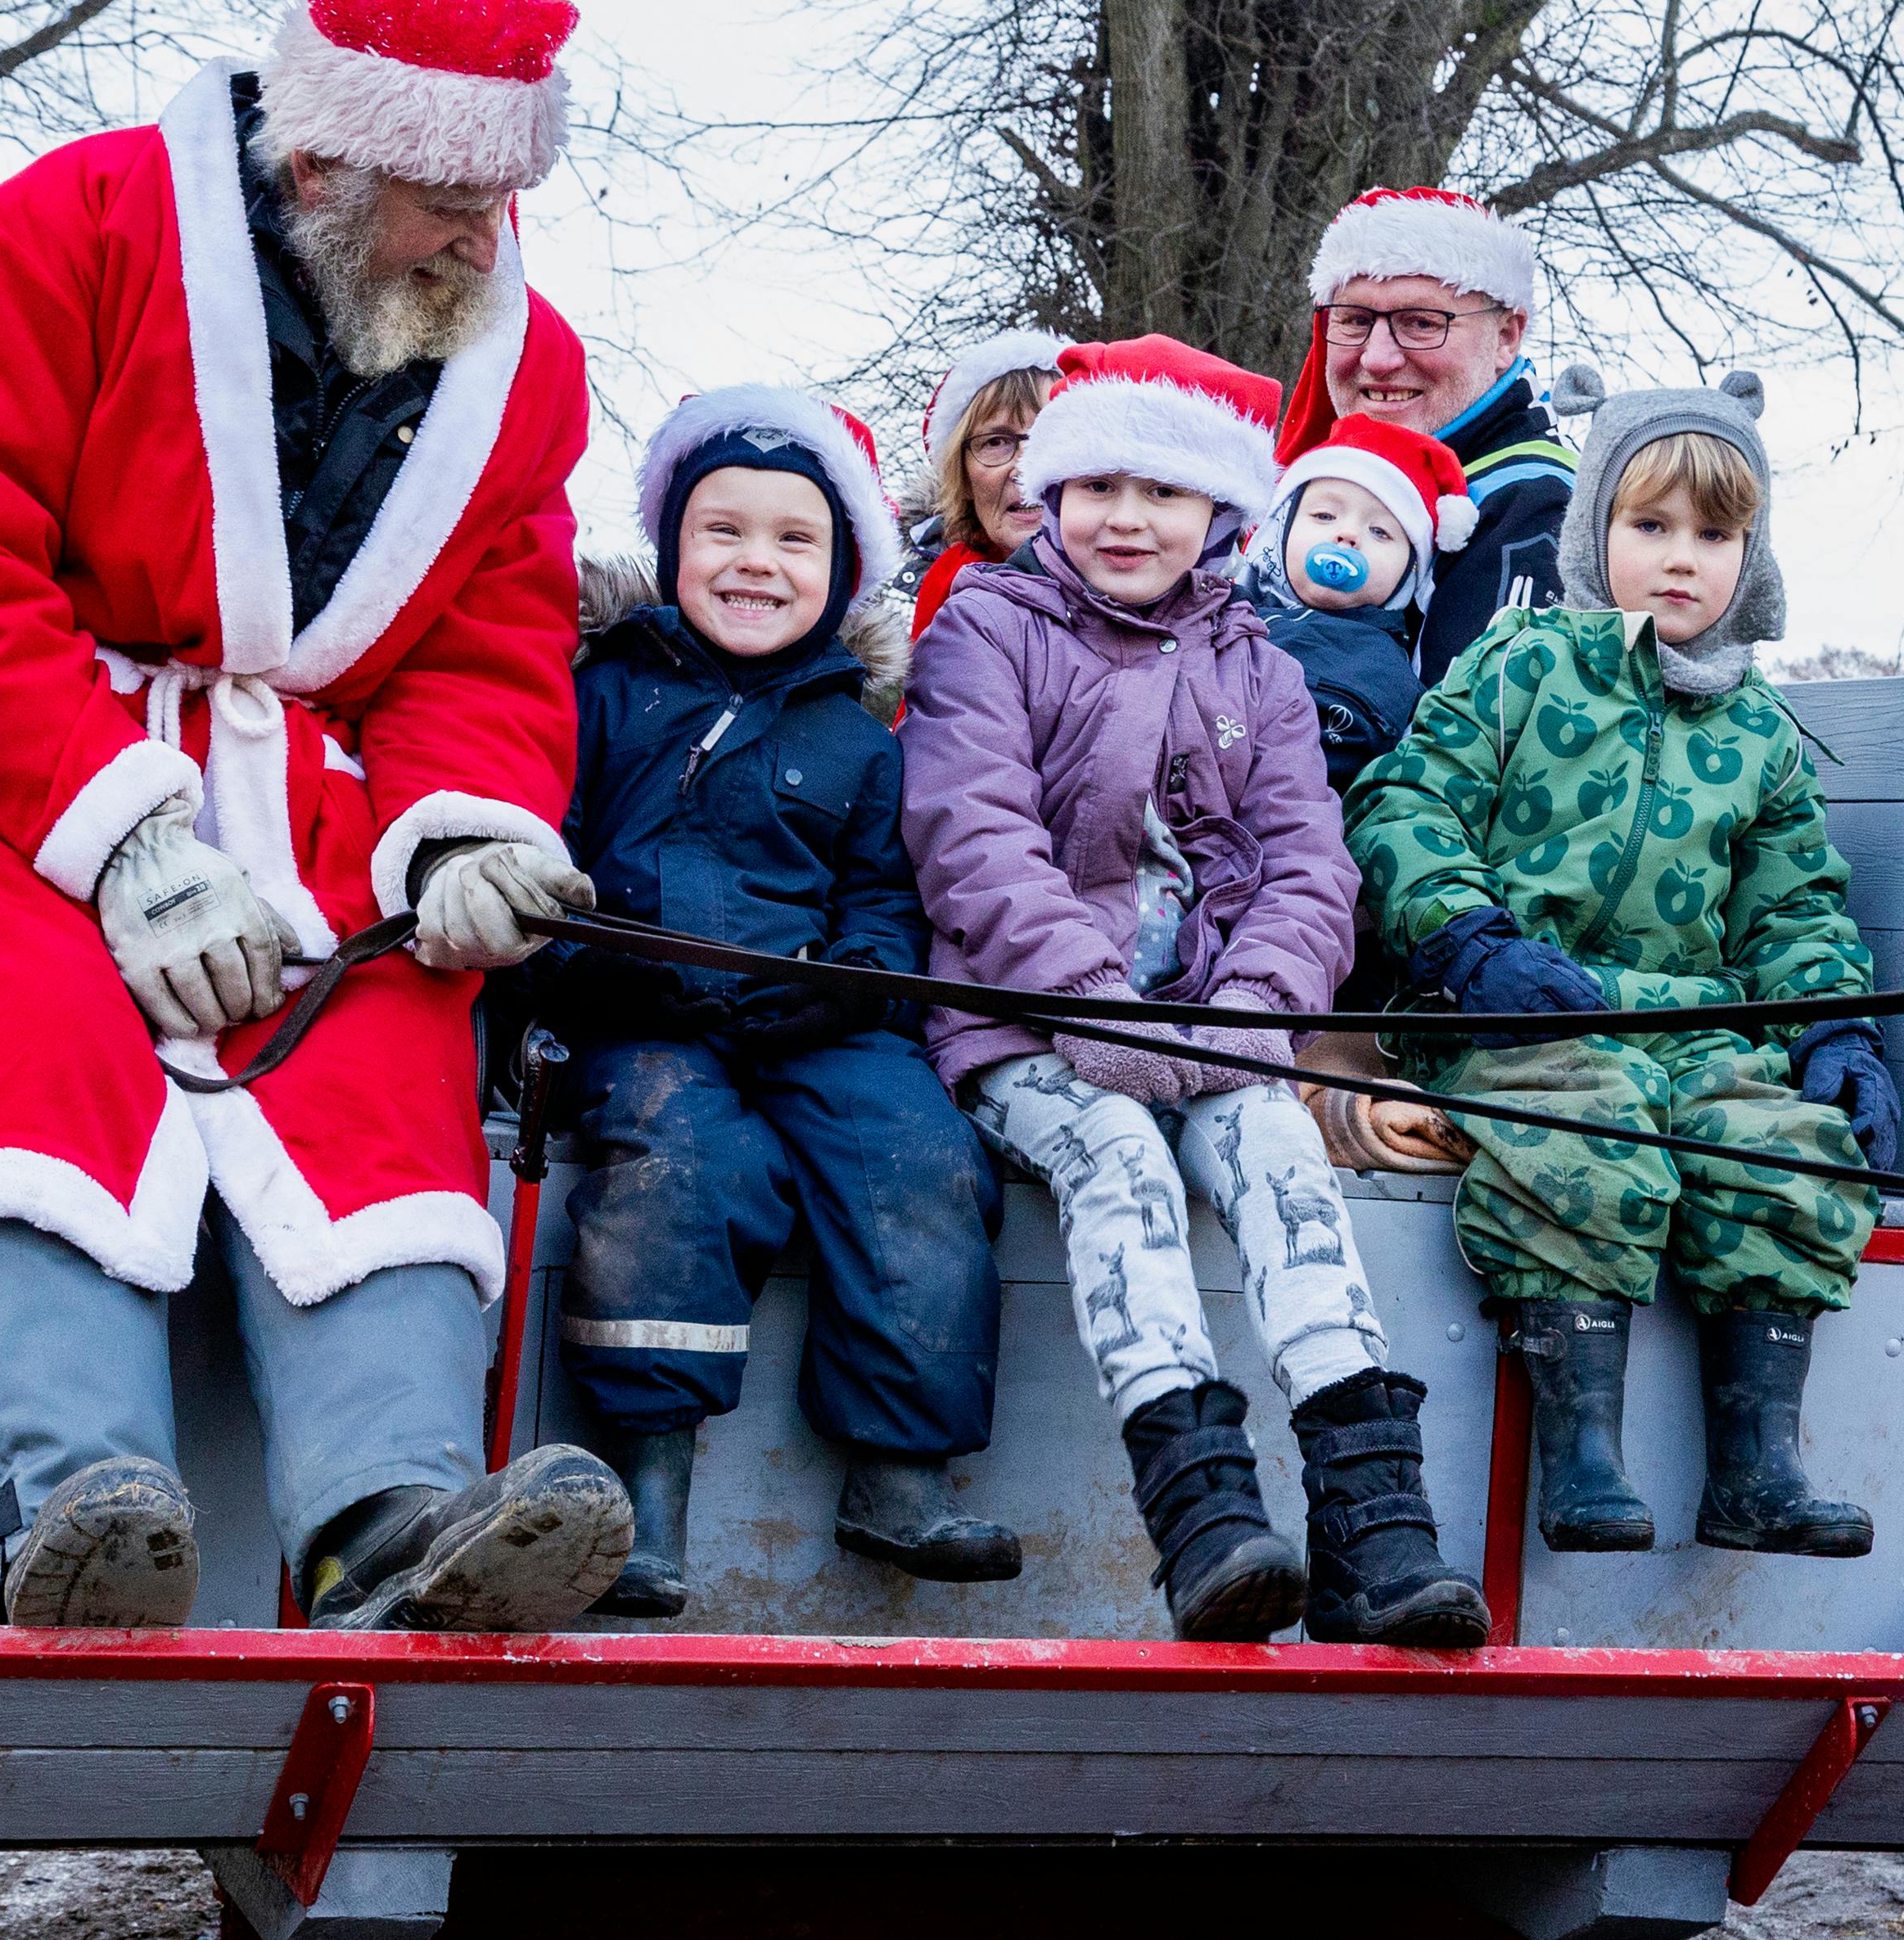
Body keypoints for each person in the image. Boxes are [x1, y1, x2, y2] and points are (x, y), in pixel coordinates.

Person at [0, 0, 635, 1634]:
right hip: (19, 769)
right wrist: (125, 842)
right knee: (24, 1022)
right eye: (446, 200)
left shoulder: (524, 365)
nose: (482, 237)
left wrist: (465, 830)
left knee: (384, 1032)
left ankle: (385, 1525)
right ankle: (56, 1510)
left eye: (500, 198)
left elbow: (484, 643)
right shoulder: (74, 229)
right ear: (319, 164)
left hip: (301, 801)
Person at [899, 336, 1490, 1649]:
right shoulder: (988, 629)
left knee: (1283, 1150)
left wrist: (1254, 1007)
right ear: (1054, 493)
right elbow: (972, 833)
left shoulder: (1260, 668)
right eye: (1099, 486)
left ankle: (1375, 1530)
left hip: (1216, 1024)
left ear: (1218, 511)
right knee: (1119, 1157)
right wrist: (1094, 1002)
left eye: (1161, 491)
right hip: (1030, 1022)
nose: (1128, 517)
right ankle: (1206, 1516)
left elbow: (1308, 864)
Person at [1343, 366, 1903, 1562]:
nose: (1682, 559)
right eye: (1650, 525)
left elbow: (1794, 909)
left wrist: (1835, 1026)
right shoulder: (1520, 666)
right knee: (1587, 1130)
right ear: (1595, 529)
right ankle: (1583, 1456)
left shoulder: (1761, 733)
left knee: (1781, 1145)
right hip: (1515, 1013)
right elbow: (1406, 806)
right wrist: (1467, 941)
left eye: (1715, 534)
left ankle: (1756, 1470)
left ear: (1752, 553)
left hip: (1691, 1028)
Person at [533, 386, 1017, 1617]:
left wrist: (847, 989)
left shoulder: (860, 737)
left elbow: (884, 904)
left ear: (840, 569)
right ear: (672, 549)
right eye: (723, 531)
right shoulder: (606, 694)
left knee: (917, 1150)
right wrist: (592, 968)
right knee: (686, 1156)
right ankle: (648, 1489)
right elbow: (547, 856)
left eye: (794, 539)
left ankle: (900, 1473)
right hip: (644, 1011)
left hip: (807, 1016)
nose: (756, 560)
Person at [1271, 186, 1572, 683]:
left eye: (1422, 324)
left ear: (1506, 337)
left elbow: (1471, 730)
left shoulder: (1536, 504)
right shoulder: (1320, 474)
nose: (1377, 358)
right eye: (1354, 321)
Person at [1233, 414, 1478, 796]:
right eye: (1324, 516)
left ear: (1408, 573)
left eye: (1380, 532)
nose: (1347, 534)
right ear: (1280, 530)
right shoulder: (1218, 606)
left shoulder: (1385, 671)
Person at [895, 329, 1067, 634]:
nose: (1024, 468)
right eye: (996, 442)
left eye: (1050, 435)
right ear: (962, 478)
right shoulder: (944, 608)